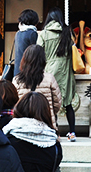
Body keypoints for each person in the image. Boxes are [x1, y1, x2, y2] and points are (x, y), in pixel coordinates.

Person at [36, 7, 78, 142]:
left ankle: (54, 132)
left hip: (49, 71)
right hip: (66, 71)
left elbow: (38, 52)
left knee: (50, 103)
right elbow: (74, 51)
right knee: (67, 103)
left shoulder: (43, 34)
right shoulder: (68, 32)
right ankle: (72, 132)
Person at [12, 44, 62, 124]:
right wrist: (49, 112)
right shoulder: (49, 78)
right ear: (42, 60)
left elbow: (14, 103)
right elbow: (57, 103)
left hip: (23, 124)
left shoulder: (17, 80)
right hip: (46, 123)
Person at [14, 9, 39, 76]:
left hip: (17, 69)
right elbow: (35, 52)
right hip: (28, 70)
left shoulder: (18, 33)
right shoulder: (32, 33)